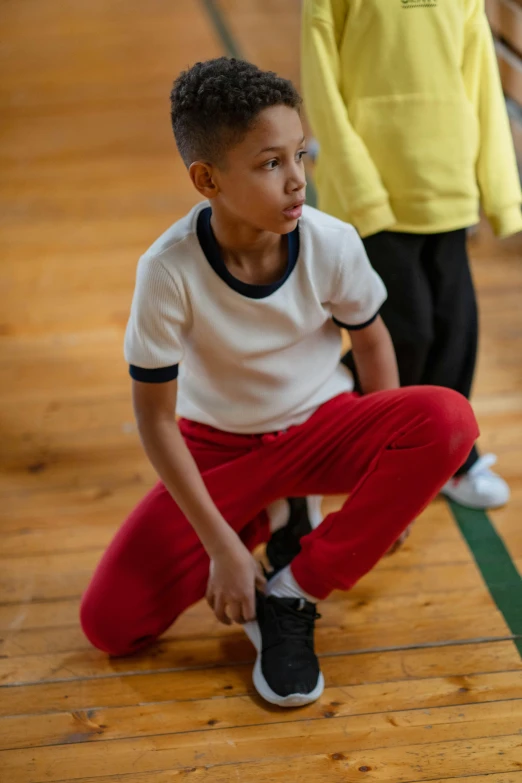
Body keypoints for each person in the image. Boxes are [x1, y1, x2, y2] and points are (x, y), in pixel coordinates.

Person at [80, 57, 478, 708]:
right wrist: (221, 550)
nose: (297, 181)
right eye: (270, 163)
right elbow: (155, 421)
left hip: (323, 430)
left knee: (449, 417)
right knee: (110, 624)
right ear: (207, 179)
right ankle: (271, 519)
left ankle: (296, 585)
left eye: (301, 154)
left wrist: (384, 484)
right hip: (218, 449)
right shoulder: (167, 270)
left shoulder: (331, 240)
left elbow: (372, 341)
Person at [300, 0, 522, 511]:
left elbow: (483, 84)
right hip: (374, 189)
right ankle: (333, 437)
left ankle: (450, 457)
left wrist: (500, 194)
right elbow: (323, 93)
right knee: (407, 330)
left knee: (455, 326)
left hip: (448, 186)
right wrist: (359, 187)